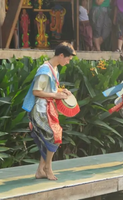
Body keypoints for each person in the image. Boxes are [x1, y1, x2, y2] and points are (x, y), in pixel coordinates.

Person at [22, 42, 76, 180]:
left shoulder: (54, 68)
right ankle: (48, 168)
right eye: (68, 59)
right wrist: (55, 95)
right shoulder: (45, 71)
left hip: (47, 108)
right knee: (54, 137)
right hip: (40, 109)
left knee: (49, 138)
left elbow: (48, 89)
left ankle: (41, 169)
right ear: (61, 55)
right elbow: (36, 91)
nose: (68, 62)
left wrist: (61, 91)